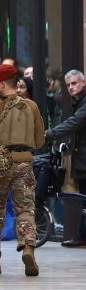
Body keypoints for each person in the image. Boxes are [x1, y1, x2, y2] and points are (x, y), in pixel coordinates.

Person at [0, 64, 45, 276]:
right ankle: (29, 247)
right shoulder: (31, 106)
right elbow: (40, 139)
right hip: (24, 163)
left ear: (3, 84)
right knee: (25, 209)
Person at [45, 69, 86, 246]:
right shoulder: (78, 101)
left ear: (83, 82)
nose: (71, 87)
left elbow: (75, 122)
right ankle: (82, 235)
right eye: (68, 84)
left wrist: (49, 134)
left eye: (74, 83)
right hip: (81, 158)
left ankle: (81, 236)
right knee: (84, 199)